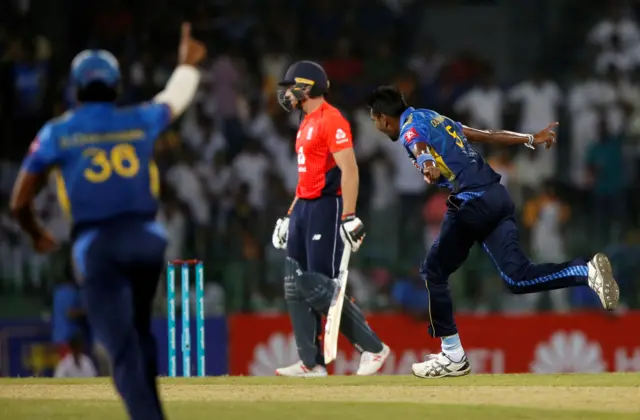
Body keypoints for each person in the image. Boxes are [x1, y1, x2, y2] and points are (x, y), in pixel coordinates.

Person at [10, 23, 206, 419]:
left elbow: (19, 200)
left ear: (75, 89)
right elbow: (173, 98)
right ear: (116, 86)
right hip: (149, 240)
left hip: (97, 246)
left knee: (120, 350)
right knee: (138, 338)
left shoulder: (57, 133)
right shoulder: (137, 119)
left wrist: (36, 234)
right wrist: (187, 64)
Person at [366, 85, 620, 379]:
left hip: (471, 200)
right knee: (517, 278)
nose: (377, 127)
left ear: (384, 118)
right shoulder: (436, 118)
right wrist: (528, 138)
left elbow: (419, 148)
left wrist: (426, 166)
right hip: (496, 196)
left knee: (434, 271)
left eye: (375, 121)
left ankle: (452, 355)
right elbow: (483, 136)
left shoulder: (410, 130)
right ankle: (587, 272)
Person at [271, 61, 390, 377]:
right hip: (304, 208)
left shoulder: (331, 119)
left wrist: (349, 217)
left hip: (326, 207)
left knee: (316, 284)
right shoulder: (306, 121)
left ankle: (374, 348)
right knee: (294, 281)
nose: (286, 93)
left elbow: (349, 169)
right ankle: (311, 363)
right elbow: (305, 176)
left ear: (306, 86)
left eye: (290, 86)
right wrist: (288, 215)